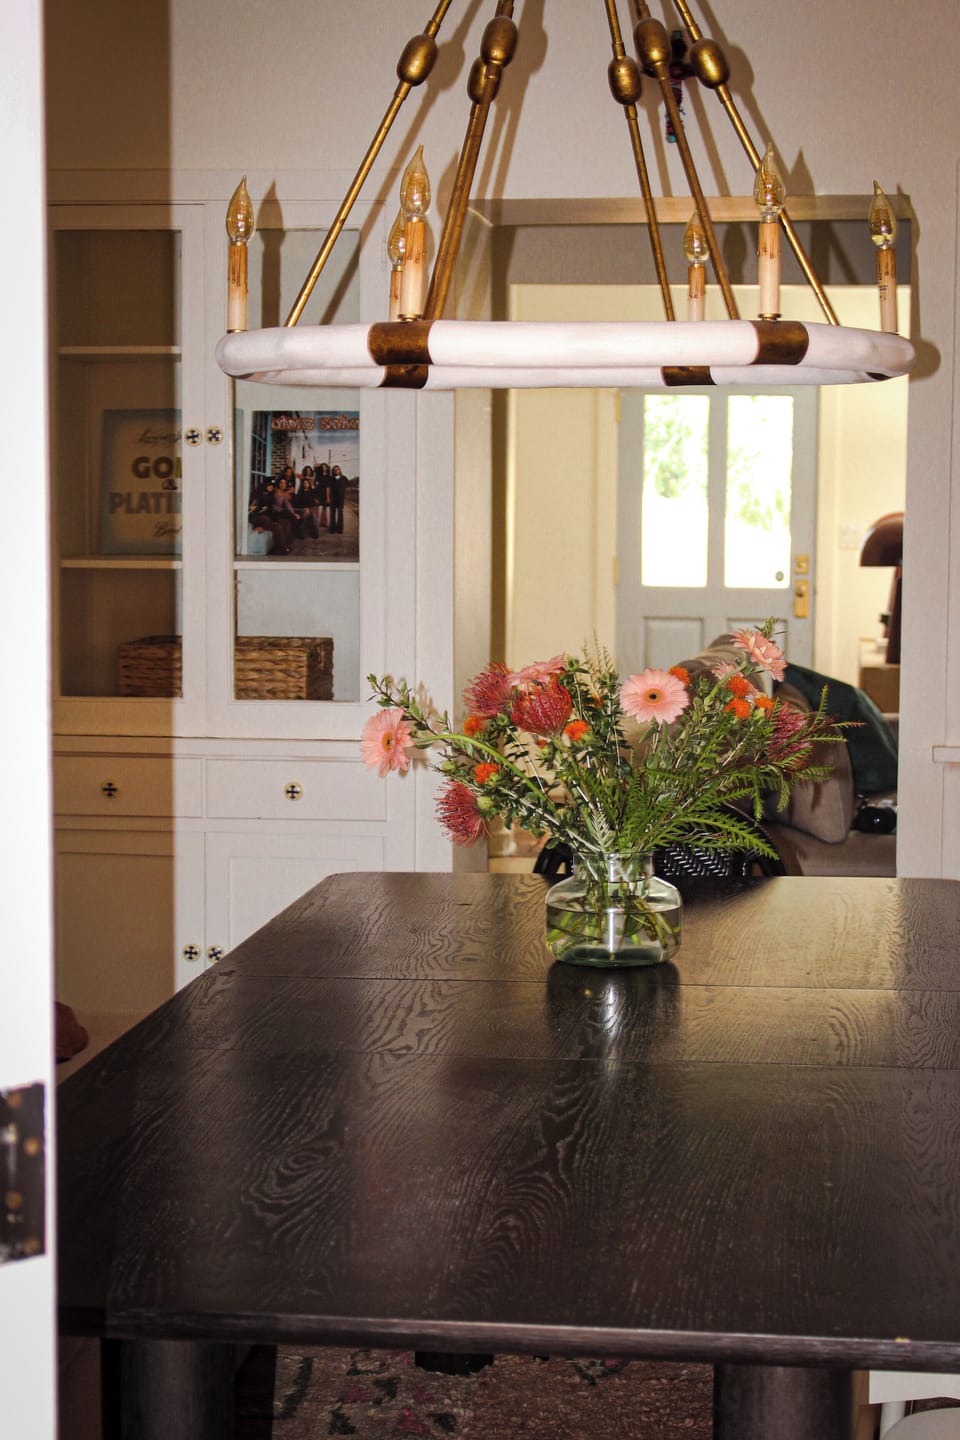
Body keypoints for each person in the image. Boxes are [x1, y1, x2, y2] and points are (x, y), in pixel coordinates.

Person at [292, 464, 319, 538]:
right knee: (303, 517)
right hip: (304, 507)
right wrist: (305, 508)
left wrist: (310, 508)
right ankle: (301, 534)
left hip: (312, 506)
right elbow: (295, 474)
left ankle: (315, 533)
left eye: (309, 471)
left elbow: (313, 499)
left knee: (314, 517)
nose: (308, 472)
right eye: (306, 470)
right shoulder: (301, 490)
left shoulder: (313, 482)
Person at [328, 464, 348, 534]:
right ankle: (332, 529)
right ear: (333, 471)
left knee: (340, 514)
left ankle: (340, 529)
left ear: (340, 470)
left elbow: (347, 487)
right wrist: (328, 498)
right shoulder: (331, 478)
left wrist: (343, 494)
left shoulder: (344, 478)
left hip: (340, 499)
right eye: (335, 469)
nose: (336, 470)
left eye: (337, 469)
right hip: (333, 498)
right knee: (332, 514)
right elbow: (328, 488)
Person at [316, 462, 331, 529]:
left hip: (326, 494)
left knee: (326, 509)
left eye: (325, 467)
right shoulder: (318, 476)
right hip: (319, 493)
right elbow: (316, 486)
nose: (324, 468)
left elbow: (328, 487)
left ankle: (326, 523)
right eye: (322, 467)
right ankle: (318, 523)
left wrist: (328, 497)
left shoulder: (328, 476)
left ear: (327, 468)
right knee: (319, 508)